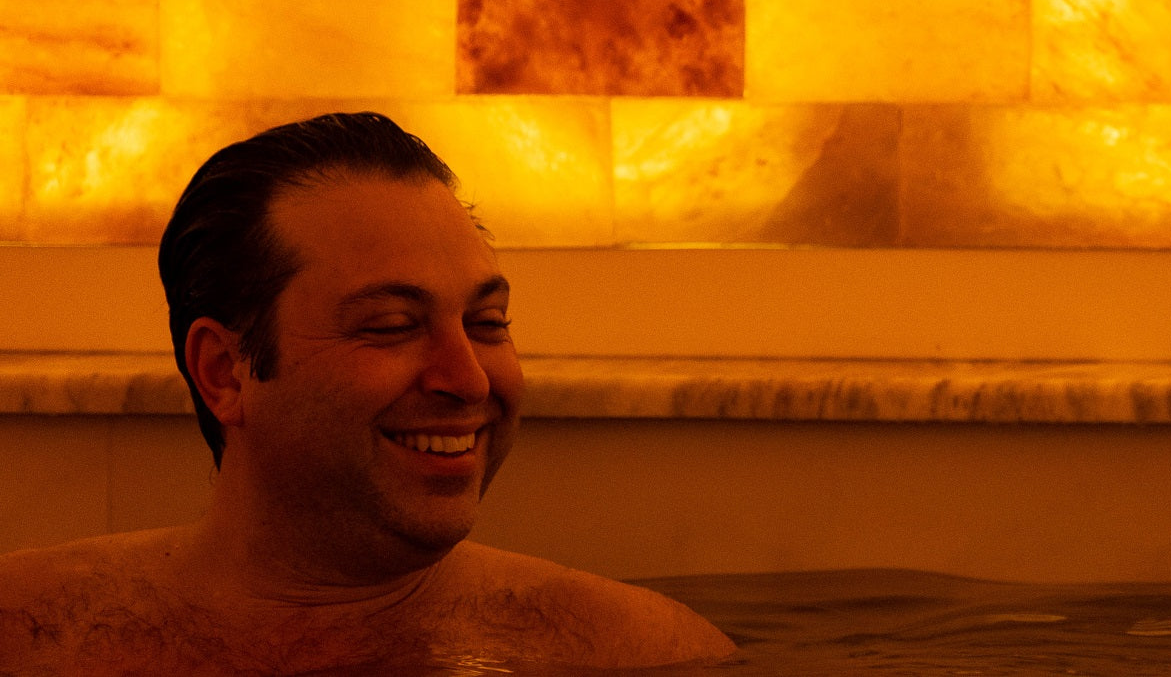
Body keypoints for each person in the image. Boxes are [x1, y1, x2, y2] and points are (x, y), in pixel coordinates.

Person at [0, 112, 734, 673]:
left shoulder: (636, 654)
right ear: (225, 372)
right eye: (389, 326)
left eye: (487, 322)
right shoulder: (30, 634)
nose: (469, 378)